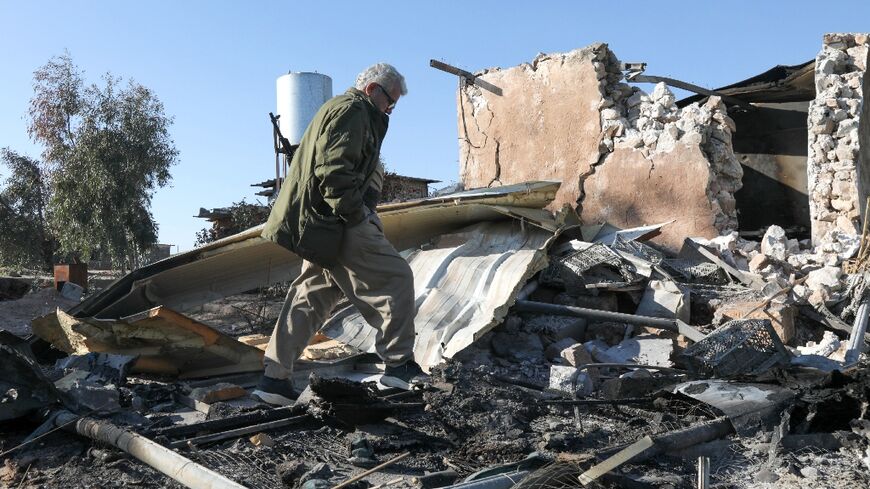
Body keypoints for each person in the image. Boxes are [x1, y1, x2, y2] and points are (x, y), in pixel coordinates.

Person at [253, 63, 427, 406]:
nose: (390, 109)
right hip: (336, 219)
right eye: (389, 102)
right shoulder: (353, 110)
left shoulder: (339, 109)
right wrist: (359, 215)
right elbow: (333, 172)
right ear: (372, 89)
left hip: (319, 223)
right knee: (396, 277)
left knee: (311, 295)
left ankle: (273, 380)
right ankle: (398, 365)